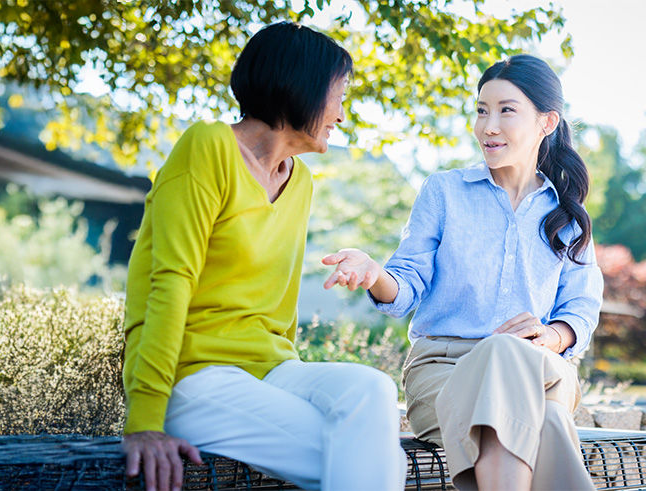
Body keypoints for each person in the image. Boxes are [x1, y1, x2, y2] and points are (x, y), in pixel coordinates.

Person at [120, 21, 405, 491]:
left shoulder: (301, 181)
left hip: (272, 372)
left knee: (372, 390)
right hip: (193, 377)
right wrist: (146, 418)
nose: (341, 113)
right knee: (370, 460)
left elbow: (281, 302)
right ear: (303, 86)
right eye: (339, 95)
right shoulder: (208, 147)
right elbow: (168, 282)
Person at [321, 54, 603, 491]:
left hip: (537, 367)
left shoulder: (568, 214)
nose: (488, 126)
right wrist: (375, 272)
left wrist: (552, 337)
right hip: (445, 371)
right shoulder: (444, 192)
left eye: (506, 110)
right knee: (541, 417)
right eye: (481, 110)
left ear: (547, 123)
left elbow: (581, 308)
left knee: (507, 353)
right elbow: (407, 283)